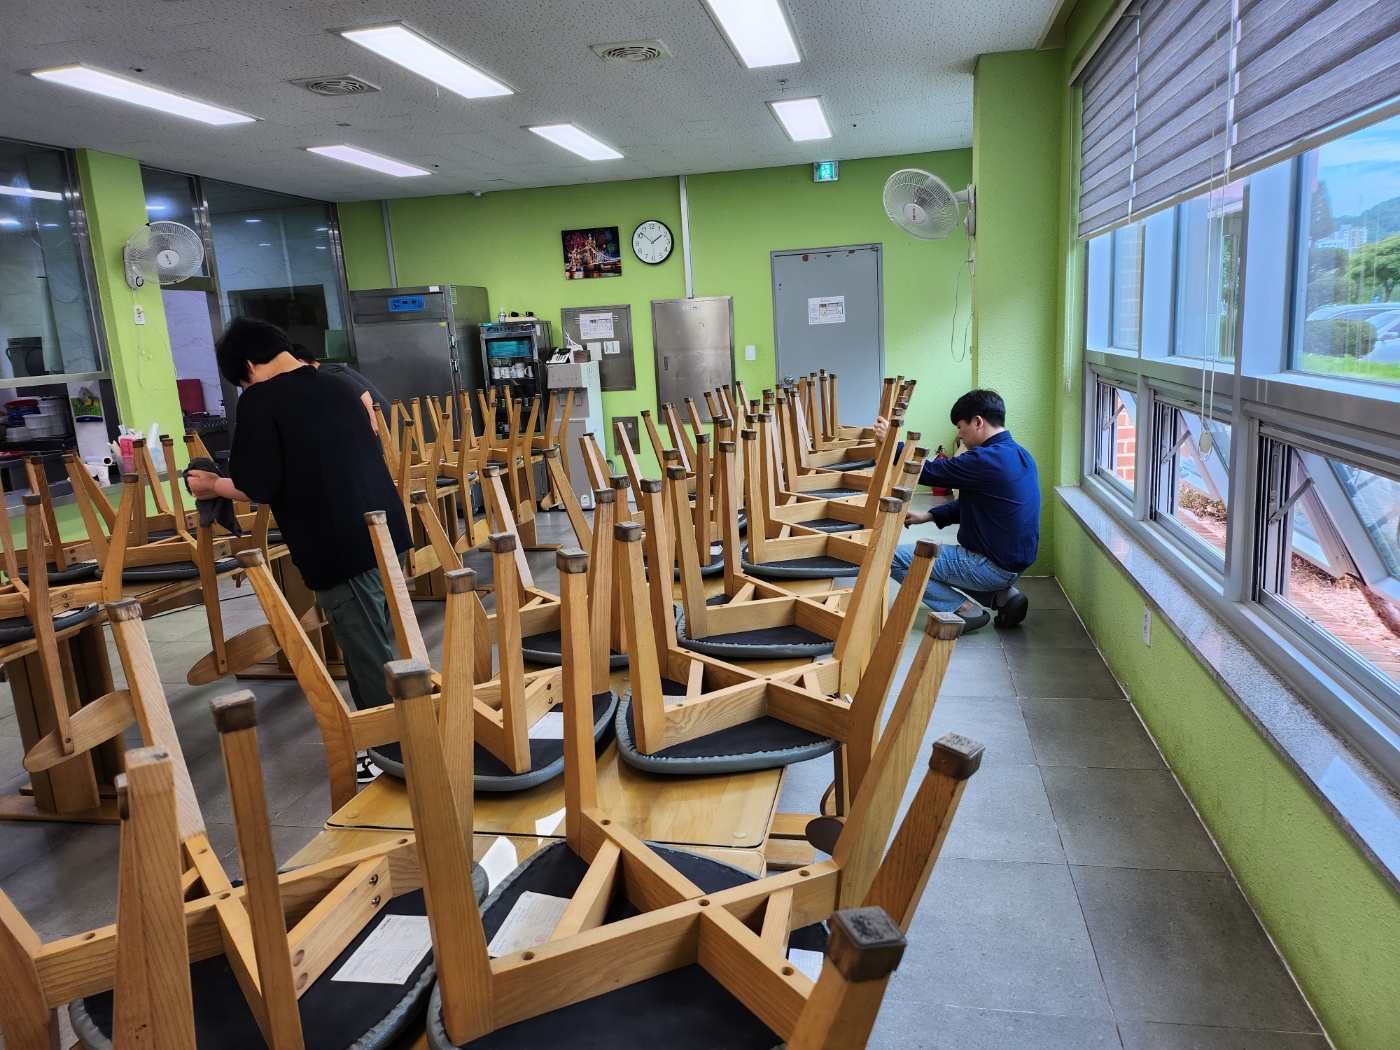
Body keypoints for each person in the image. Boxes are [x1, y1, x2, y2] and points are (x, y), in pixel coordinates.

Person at [188, 318, 412, 778]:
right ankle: (396, 737)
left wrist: (211, 485)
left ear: (248, 366)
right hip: (388, 530)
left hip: (340, 543)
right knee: (381, 639)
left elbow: (259, 484)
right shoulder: (338, 384)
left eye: (241, 380)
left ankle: (388, 753)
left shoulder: (261, 399)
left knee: (366, 652)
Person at [882, 389, 1039, 631]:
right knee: (946, 562)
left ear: (978, 422)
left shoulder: (984, 459)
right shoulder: (1020, 454)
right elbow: (979, 503)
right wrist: (927, 516)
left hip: (989, 566)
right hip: (1012, 565)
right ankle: (1002, 597)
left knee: (891, 558)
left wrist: (891, 444)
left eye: (960, 426)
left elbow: (931, 472)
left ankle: (963, 610)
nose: (959, 434)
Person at [288, 343, 388, 434]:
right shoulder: (325, 370)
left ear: (301, 362)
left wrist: (375, 420)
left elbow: (362, 392)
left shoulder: (328, 371)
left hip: (380, 419)